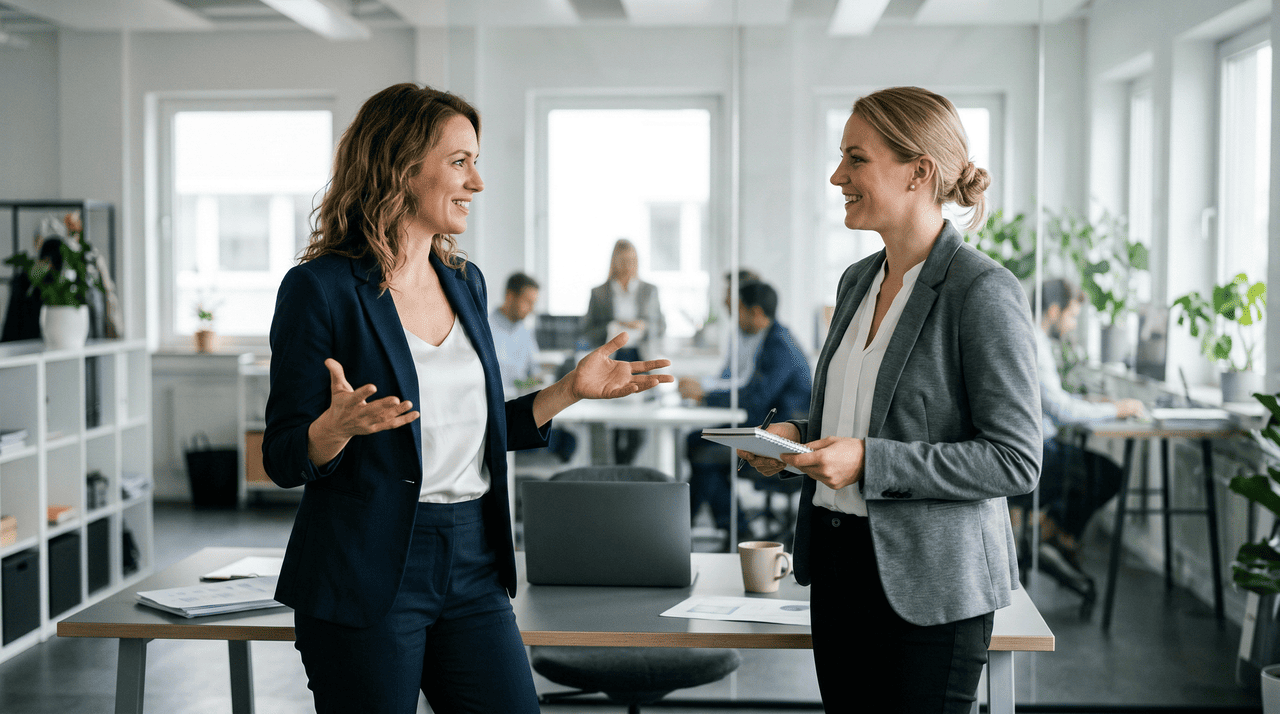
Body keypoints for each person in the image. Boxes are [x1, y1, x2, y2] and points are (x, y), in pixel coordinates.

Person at [262, 83, 672, 714]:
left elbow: (478, 429)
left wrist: (568, 390)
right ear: (400, 167)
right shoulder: (320, 290)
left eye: (475, 162)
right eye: (460, 162)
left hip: (473, 562)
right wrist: (332, 431)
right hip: (368, 567)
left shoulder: (466, 283)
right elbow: (282, 456)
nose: (476, 183)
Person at [740, 86, 1041, 713]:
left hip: (931, 590)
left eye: (856, 158)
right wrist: (795, 439)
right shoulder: (857, 281)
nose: (837, 176)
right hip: (840, 566)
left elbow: (1014, 460)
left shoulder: (982, 290)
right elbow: (851, 421)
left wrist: (870, 461)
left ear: (919, 172)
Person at [681, 279, 812, 537]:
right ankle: (689, 526)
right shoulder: (772, 338)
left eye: (739, 309)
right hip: (766, 429)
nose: (735, 316)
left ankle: (732, 531)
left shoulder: (779, 346)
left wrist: (705, 396)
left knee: (701, 451)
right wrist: (705, 395)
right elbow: (752, 393)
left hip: (780, 441)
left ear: (756, 312)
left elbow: (755, 400)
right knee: (696, 443)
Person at [1028, 278, 1143, 568]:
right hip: (1040, 453)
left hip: (1043, 445)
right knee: (1108, 475)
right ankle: (1056, 533)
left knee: (1091, 471)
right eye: (1072, 316)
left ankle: (1053, 528)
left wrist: (1096, 405)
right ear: (1054, 311)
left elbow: (1054, 400)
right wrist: (1115, 409)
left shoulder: (1035, 339)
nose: (1073, 324)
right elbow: (1062, 412)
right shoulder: (1035, 344)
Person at [582, 238, 666, 463]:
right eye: (623, 260)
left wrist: (644, 326)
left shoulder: (649, 291)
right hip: (613, 359)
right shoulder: (599, 293)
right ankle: (613, 469)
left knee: (639, 425)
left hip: (640, 357)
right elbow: (588, 330)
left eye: (632, 260)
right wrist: (613, 325)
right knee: (612, 418)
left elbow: (661, 325)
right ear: (614, 261)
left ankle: (626, 464)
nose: (628, 264)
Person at [488, 271, 577, 462]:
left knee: (569, 440)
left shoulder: (524, 332)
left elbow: (534, 371)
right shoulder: (485, 329)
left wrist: (539, 378)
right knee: (564, 441)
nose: (531, 308)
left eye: (534, 303)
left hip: (523, 407)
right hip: (500, 412)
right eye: (527, 301)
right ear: (510, 296)